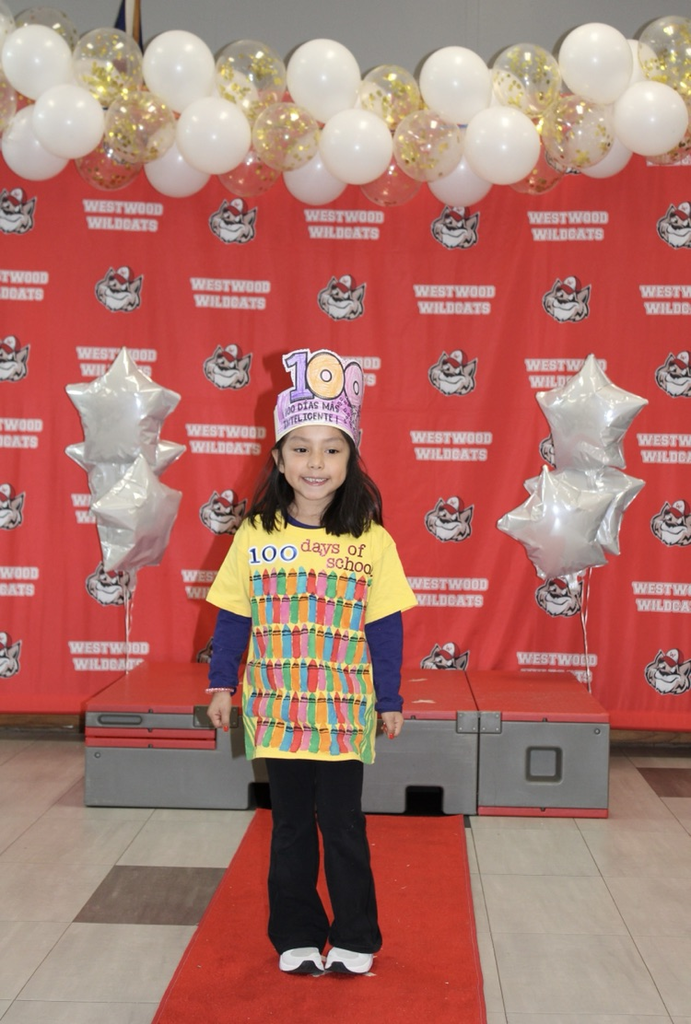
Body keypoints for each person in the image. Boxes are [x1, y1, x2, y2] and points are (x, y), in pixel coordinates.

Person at [206, 347, 417, 977]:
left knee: (343, 826)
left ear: (351, 460)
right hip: (279, 713)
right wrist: (221, 683)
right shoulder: (255, 534)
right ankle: (296, 933)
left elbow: (384, 625)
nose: (316, 463)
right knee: (292, 828)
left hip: (344, 714)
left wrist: (389, 699)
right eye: (301, 449)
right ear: (278, 459)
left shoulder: (371, 540)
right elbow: (233, 614)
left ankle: (355, 935)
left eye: (332, 450)